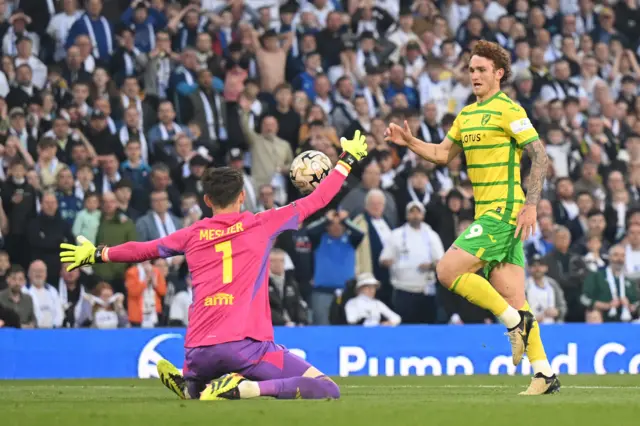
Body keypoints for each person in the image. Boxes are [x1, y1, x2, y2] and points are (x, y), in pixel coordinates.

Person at [59, 131, 369, 401]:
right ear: (243, 197)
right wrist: (347, 159)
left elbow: (143, 250)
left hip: (197, 351)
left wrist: (98, 253)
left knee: (206, 376)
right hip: (246, 348)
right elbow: (317, 200)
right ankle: (245, 388)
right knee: (327, 388)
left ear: (207, 200)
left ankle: (192, 384)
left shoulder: (192, 233)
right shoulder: (261, 224)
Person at [384, 40, 560, 395]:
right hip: (489, 212)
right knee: (514, 298)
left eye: (482, 69)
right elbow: (442, 154)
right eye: (471, 69)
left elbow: (540, 157)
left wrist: (531, 204)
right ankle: (543, 373)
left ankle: (514, 324)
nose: (475, 75)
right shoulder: (465, 115)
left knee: (447, 270)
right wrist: (411, 142)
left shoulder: (509, 109)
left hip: (505, 211)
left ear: (499, 73)